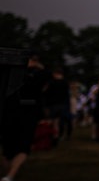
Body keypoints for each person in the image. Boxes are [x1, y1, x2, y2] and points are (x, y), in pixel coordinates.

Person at [1, 53, 47, 181]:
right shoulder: (38, 75)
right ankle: (10, 174)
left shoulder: (12, 73)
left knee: (10, 147)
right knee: (21, 146)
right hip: (25, 113)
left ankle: (9, 174)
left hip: (12, 112)